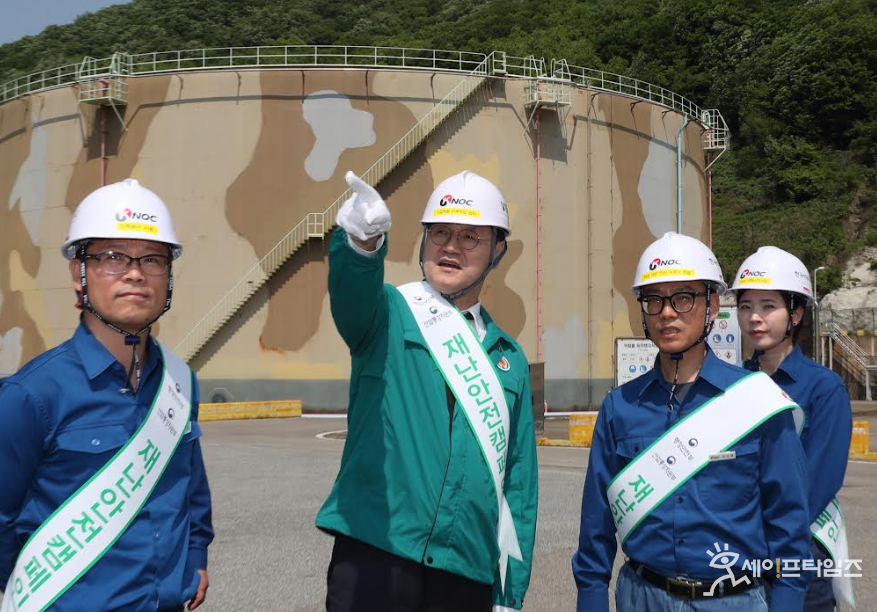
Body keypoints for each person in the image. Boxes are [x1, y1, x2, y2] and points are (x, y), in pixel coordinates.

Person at [316, 170, 538, 612]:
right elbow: (352, 292)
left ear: (498, 250)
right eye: (439, 232)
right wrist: (361, 245)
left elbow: (518, 487)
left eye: (471, 237)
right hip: (376, 555)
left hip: (466, 571)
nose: (451, 246)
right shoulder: (388, 314)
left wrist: (510, 593)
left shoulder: (507, 358)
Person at [0, 179, 214, 612]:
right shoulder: (30, 395)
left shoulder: (179, 381)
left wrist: (196, 556)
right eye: (113, 257)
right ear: (79, 274)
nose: (135, 272)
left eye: (152, 259)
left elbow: (191, 487)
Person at [572, 232, 813, 612]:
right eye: (654, 300)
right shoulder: (620, 406)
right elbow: (595, 527)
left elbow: (790, 527)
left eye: (683, 298)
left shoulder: (756, 401)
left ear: (712, 306)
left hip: (734, 600)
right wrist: (590, 599)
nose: (667, 313)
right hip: (641, 597)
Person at [732, 246, 853, 611]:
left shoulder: (824, 388)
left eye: (768, 306)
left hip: (800, 554)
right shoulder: (733, 384)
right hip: (741, 554)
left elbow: (820, 482)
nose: (755, 317)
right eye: (745, 306)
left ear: (796, 313)